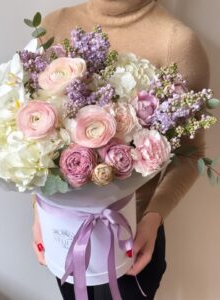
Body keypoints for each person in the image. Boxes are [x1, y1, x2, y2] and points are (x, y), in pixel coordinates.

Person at [31, 0, 209, 299]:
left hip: (133, 236)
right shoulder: (52, 27)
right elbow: (32, 139)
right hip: (62, 230)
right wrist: (39, 211)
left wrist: (153, 217)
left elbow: (191, 153)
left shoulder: (176, 42)